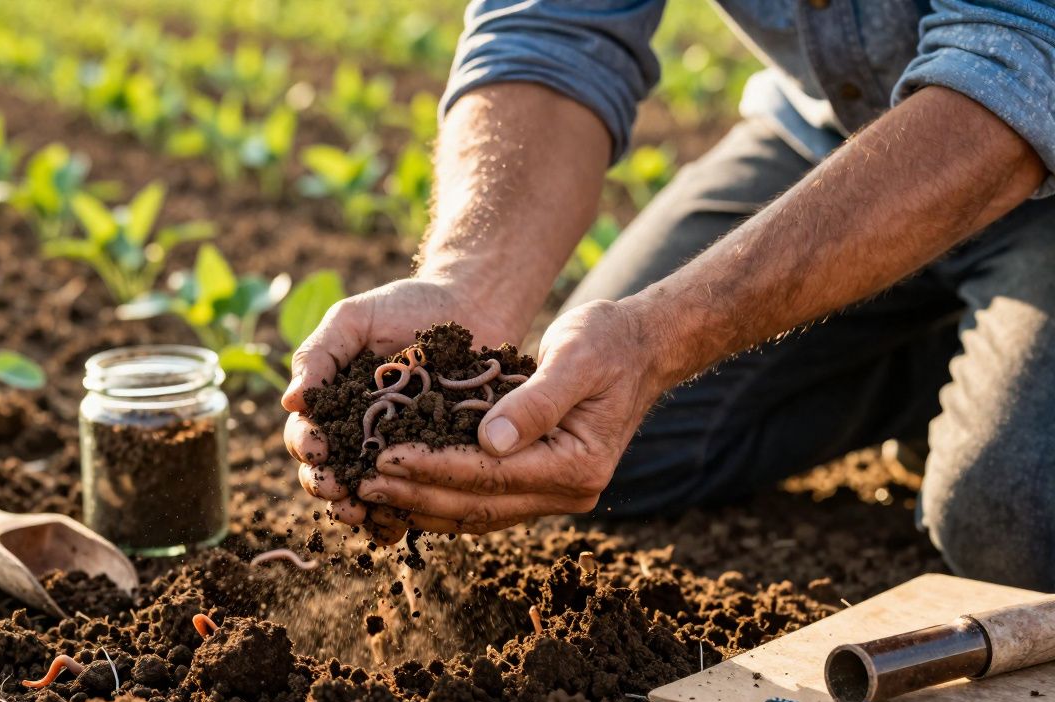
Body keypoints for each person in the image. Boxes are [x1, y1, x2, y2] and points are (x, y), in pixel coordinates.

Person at [283, 1, 1055, 590]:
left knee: (1015, 517)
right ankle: (941, 357)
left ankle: (998, 376)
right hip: (839, 137)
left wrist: (660, 340)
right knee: (610, 444)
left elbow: (1022, 54)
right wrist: (467, 280)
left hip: (1027, 136)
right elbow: (550, 31)